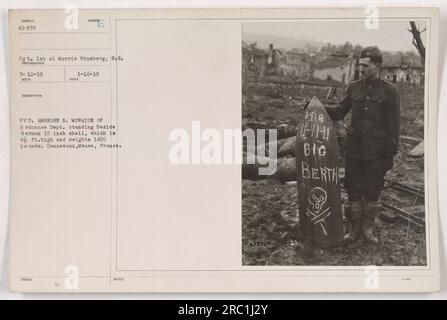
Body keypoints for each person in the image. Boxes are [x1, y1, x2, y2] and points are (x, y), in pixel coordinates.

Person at [325, 46, 401, 243]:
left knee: (372, 192)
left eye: (365, 66)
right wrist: (316, 106)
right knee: (353, 191)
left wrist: (389, 156)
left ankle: (368, 229)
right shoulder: (354, 87)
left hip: (376, 153)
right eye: (360, 66)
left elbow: (394, 127)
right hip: (354, 151)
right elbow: (340, 111)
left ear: (377, 65)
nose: (361, 70)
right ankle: (353, 229)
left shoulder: (390, 92)